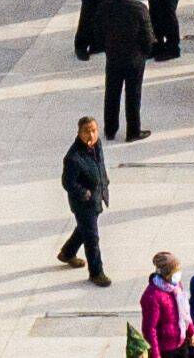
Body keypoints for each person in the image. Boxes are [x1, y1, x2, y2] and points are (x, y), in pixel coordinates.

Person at [59, 118, 112, 284]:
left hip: (96, 196)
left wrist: (104, 182)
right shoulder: (73, 158)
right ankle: (96, 272)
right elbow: (68, 183)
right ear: (79, 133)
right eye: (87, 131)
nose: (91, 134)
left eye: (94, 130)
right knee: (92, 238)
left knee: (84, 229)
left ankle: (67, 253)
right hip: (83, 203)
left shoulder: (97, 145)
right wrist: (85, 193)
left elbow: (100, 164)